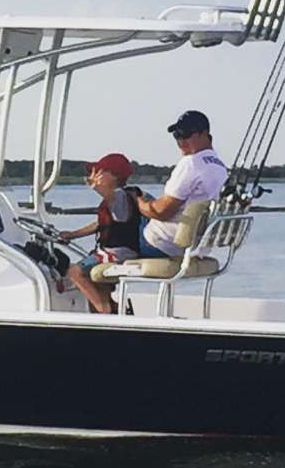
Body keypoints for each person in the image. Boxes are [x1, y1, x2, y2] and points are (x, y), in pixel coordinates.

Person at [134, 110, 228, 257]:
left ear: (204, 134)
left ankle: (93, 266)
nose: (181, 141)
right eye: (177, 135)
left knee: (120, 207)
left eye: (186, 134)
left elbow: (161, 212)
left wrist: (137, 202)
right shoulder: (220, 167)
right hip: (197, 248)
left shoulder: (191, 163)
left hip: (161, 243)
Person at [64, 152, 143, 315]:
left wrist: (100, 189)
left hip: (118, 252)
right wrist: (72, 234)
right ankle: (113, 310)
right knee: (97, 283)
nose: (94, 175)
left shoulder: (119, 196)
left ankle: (103, 312)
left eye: (99, 171)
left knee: (74, 272)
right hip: (118, 251)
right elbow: (101, 224)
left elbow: (112, 199)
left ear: (114, 176)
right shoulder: (118, 197)